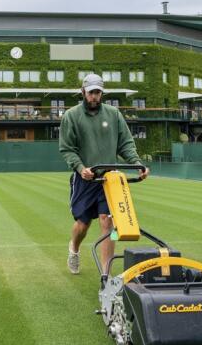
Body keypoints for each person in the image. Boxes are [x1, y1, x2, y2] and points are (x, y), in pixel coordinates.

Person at [59, 73, 149, 275]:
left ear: (102, 93)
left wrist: (136, 164)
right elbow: (67, 149)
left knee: (107, 222)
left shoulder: (114, 114)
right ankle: (74, 248)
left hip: (111, 179)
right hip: (85, 178)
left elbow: (126, 143)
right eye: (91, 92)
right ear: (83, 92)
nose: (94, 97)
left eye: (98, 92)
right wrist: (81, 168)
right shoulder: (71, 116)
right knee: (82, 224)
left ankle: (106, 275)